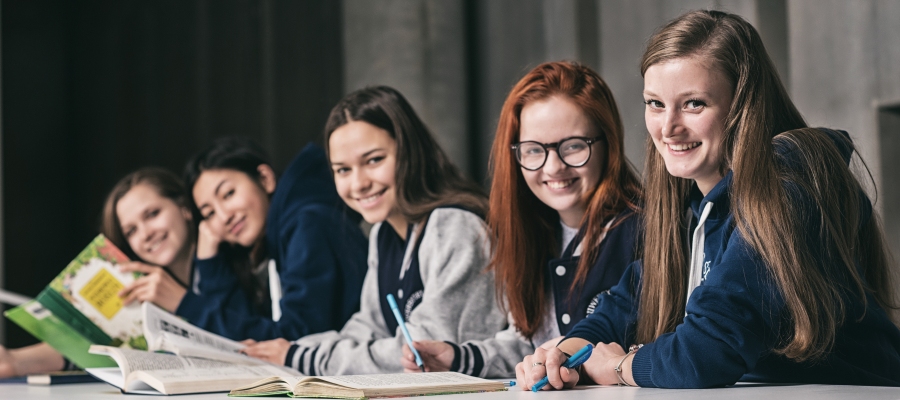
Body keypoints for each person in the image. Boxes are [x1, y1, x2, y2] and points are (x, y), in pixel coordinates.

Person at [519, 10, 900, 389]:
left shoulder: (789, 182)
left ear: (742, 105)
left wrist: (620, 367)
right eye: (655, 103)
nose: (668, 128)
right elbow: (621, 306)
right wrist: (561, 354)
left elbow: (706, 352)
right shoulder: (692, 210)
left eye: (693, 104)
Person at [399, 62, 642, 378]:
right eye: (533, 150)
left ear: (607, 143)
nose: (553, 167)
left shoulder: (645, 230)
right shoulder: (532, 231)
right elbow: (529, 346)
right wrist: (458, 358)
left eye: (573, 146)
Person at [241, 86, 507, 375]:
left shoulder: (454, 226)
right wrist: (290, 348)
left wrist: (301, 358)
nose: (358, 184)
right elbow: (369, 326)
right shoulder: (384, 232)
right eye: (343, 170)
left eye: (374, 160)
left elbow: (424, 353)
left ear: (409, 151)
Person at [0, 167, 196, 377]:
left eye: (153, 214)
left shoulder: (229, 265)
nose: (146, 234)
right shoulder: (138, 286)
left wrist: (183, 302)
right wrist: (14, 360)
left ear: (184, 208)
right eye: (131, 231)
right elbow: (90, 344)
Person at [182, 137, 368, 341]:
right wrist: (211, 262)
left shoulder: (308, 225)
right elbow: (248, 330)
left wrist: (183, 303)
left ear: (265, 178)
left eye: (228, 194)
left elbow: (293, 340)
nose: (224, 216)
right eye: (209, 213)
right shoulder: (277, 238)